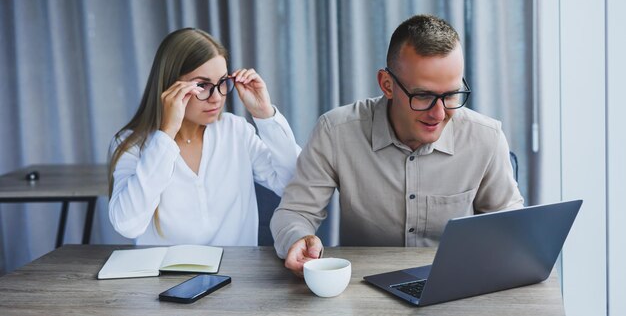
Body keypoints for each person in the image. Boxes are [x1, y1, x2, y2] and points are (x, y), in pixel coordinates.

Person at [270, 14, 524, 275]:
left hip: (455, 285)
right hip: (363, 289)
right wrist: (297, 238)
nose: (439, 114)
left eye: (451, 95)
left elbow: (512, 227)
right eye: (423, 96)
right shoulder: (335, 132)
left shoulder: (487, 137)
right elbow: (294, 212)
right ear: (387, 85)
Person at [108, 27, 301, 246]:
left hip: (236, 273)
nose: (217, 98)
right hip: (166, 277)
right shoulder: (132, 144)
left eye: (221, 83)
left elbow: (294, 184)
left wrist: (265, 115)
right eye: (202, 85)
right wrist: (166, 135)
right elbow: (127, 224)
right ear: (170, 85)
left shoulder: (235, 130)